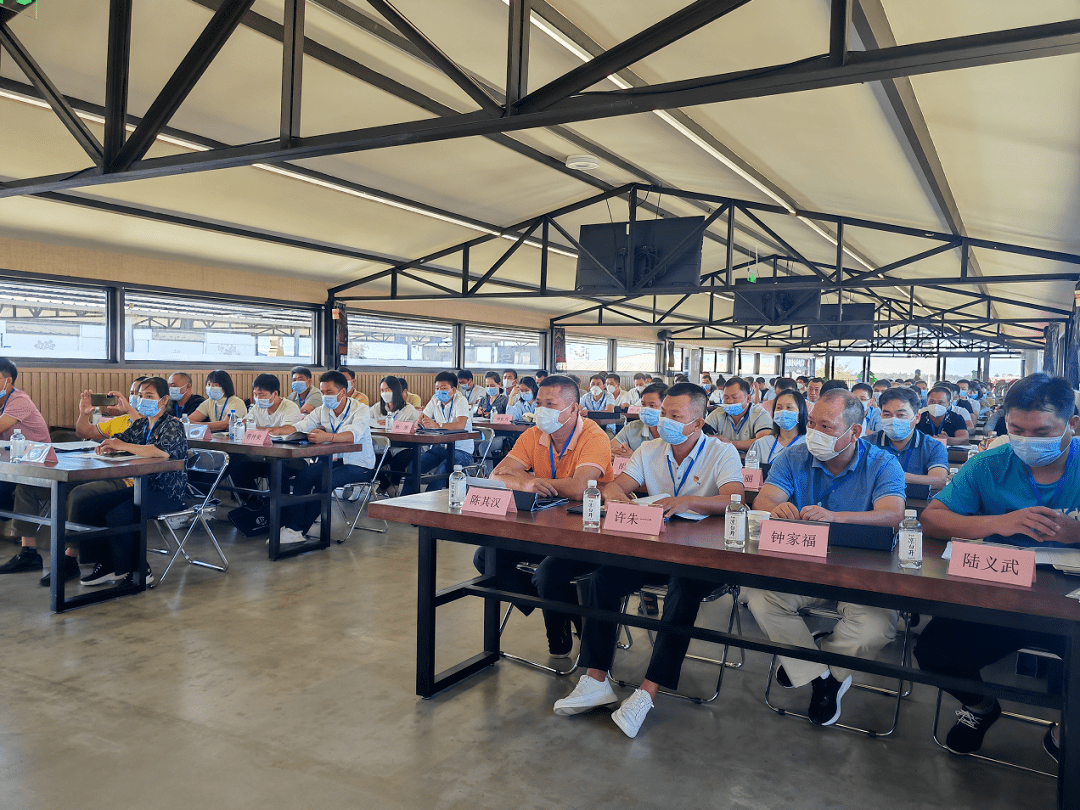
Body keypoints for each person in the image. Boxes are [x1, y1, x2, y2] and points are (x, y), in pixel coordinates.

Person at [553, 383, 744, 738]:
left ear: (698, 423)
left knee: (682, 591)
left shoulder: (722, 452)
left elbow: (734, 499)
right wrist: (618, 498)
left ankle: (648, 691)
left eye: (676, 416)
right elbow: (616, 485)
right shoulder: (650, 448)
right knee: (605, 579)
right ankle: (596, 679)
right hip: (654, 548)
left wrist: (687, 501)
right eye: (663, 413)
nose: (665, 421)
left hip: (704, 557)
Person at [915, 373, 1077, 763]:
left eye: (1042, 431)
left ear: (1072, 424)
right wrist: (996, 523)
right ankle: (981, 705)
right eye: (1016, 429)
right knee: (935, 653)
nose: (1027, 441)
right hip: (1000, 590)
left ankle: (1066, 726)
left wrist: (1075, 532)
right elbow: (933, 519)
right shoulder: (990, 464)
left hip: (1069, 603)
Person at [742, 390, 906, 726]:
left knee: (878, 627)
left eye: (826, 427)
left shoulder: (882, 463)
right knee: (759, 596)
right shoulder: (794, 456)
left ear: (855, 432)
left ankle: (823, 668)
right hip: (802, 567)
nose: (814, 432)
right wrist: (777, 508)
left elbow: (893, 514)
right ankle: (818, 675)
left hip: (861, 574)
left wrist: (837, 517)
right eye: (812, 423)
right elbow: (763, 500)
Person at [476, 375, 614, 656]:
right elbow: (497, 474)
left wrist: (531, 478)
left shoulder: (594, 436)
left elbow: (579, 487)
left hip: (584, 533)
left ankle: (558, 634)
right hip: (542, 527)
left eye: (550, 404)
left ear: (573, 409)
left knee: (549, 574)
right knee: (485, 556)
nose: (542, 410)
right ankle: (562, 609)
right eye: (539, 403)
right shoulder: (533, 435)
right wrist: (526, 483)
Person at [70, 376, 189, 586]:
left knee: (120, 514)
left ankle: (137, 569)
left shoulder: (173, 425)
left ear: (163, 400)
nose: (143, 400)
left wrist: (122, 445)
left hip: (166, 492)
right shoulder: (141, 424)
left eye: (149, 396)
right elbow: (121, 441)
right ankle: (107, 564)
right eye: (141, 396)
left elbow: (161, 452)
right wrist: (109, 445)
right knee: (90, 503)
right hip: (139, 486)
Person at [270, 371, 375, 545]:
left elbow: (353, 436)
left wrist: (327, 437)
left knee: (324, 482)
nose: (325, 396)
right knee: (304, 477)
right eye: (323, 392)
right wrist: (279, 431)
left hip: (359, 464)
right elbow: (301, 425)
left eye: (329, 392)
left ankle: (299, 529)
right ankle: (292, 526)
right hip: (333, 461)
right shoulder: (323, 410)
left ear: (342, 392)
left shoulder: (360, 409)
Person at [0, 358, 56, 575]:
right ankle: (29, 553)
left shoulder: (19, 400)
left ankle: (29, 553)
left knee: (19, 491)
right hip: (15, 469)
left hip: (40, 468)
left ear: (7, 380)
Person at [227, 374, 303, 508]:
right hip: (264, 456)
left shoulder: (290, 407)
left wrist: (255, 428)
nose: (258, 398)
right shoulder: (257, 407)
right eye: (255, 394)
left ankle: (280, 509)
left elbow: (286, 430)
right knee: (237, 466)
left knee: (276, 468)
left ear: (275, 393)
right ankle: (253, 504)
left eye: (262, 395)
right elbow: (244, 423)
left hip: (289, 458)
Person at [869, 387, 948, 500]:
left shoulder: (933, 446)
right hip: (875, 506)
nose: (893, 420)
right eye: (887, 415)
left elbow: (939, 480)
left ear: (916, 417)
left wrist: (898, 475)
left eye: (901, 415)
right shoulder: (868, 443)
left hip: (916, 508)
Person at [404, 371, 474, 495]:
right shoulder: (435, 399)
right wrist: (420, 422)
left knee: (442, 470)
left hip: (461, 451)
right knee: (414, 466)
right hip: (440, 448)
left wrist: (437, 425)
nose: (439, 391)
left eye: (443, 388)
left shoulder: (461, 400)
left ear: (453, 389)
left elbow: (460, 425)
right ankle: (404, 501)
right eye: (437, 388)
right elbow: (423, 417)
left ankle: (429, 504)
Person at [373, 376, 421, 497]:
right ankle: (387, 485)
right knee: (371, 461)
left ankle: (393, 485)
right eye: (382, 390)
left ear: (396, 390)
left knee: (399, 461)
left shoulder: (409, 409)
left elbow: (414, 430)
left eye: (388, 389)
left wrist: (393, 425)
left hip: (404, 446)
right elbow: (366, 420)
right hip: (383, 447)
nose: (385, 393)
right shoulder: (377, 407)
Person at [704, 376, 772, 452]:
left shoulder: (760, 414)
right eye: (726, 398)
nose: (730, 401)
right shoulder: (718, 413)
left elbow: (764, 441)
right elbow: (703, 436)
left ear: (748, 398)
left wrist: (729, 444)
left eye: (735, 397)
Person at [745, 388, 807, 465]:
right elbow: (751, 474)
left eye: (789, 407)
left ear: (801, 411)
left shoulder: (809, 444)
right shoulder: (761, 444)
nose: (783, 412)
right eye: (779, 408)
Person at [75, 378, 146, 441]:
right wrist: (84, 414)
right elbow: (84, 433)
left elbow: (141, 432)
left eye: (139, 394)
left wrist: (129, 410)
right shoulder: (120, 421)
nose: (134, 396)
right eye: (132, 393)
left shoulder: (154, 423)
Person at [610, 382, 666, 457]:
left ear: (665, 407)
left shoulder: (673, 433)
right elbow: (611, 448)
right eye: (643, 404)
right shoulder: (632, 428)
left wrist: (633, 458)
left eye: (652, 405)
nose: (646, 409)